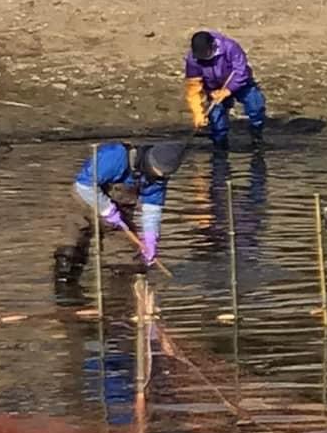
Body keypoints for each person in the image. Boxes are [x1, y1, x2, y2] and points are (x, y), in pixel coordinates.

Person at [53, 140, 188, 281]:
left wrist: (150, 239)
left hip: (119, 219)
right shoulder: (115, 156)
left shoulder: (158, 179)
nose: (157, 177)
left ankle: (121, 297)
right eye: (155, 171)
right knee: (69, 254)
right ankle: (66, 289)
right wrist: (107, 209)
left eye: (162, 175)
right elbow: (83, 186)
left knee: (128, 266)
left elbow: (152, 209)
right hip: (84, 203)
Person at [183, 30, 267, 147]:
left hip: (240, 84)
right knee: (218, 123)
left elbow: (241, 72)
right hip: (213, 89)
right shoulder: (193, 60)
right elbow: (193, 89)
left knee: (255, 104)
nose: (203, 58)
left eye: (205, 54)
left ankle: (257, 134)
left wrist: (228, 90)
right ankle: (220, 147)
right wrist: (198, 113)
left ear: (213, 46)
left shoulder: (230, 47)